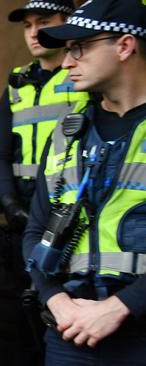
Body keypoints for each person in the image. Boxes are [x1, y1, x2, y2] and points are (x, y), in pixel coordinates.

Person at [23, 0, 146, 364]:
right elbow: (35, 231)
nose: (66, 62)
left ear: (125, 45)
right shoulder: (67, 133)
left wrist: (121, 306)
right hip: (70, 332)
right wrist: (56, 301)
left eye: (80, 48)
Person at [0, 1, 90, 363]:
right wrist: (10, 204)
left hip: (71, 208)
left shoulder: (84, 74)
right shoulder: (16, 82)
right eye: (28, 25)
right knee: (26, 313)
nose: (34, 32)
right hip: (24, 212)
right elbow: (1, 154)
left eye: (44, 22)